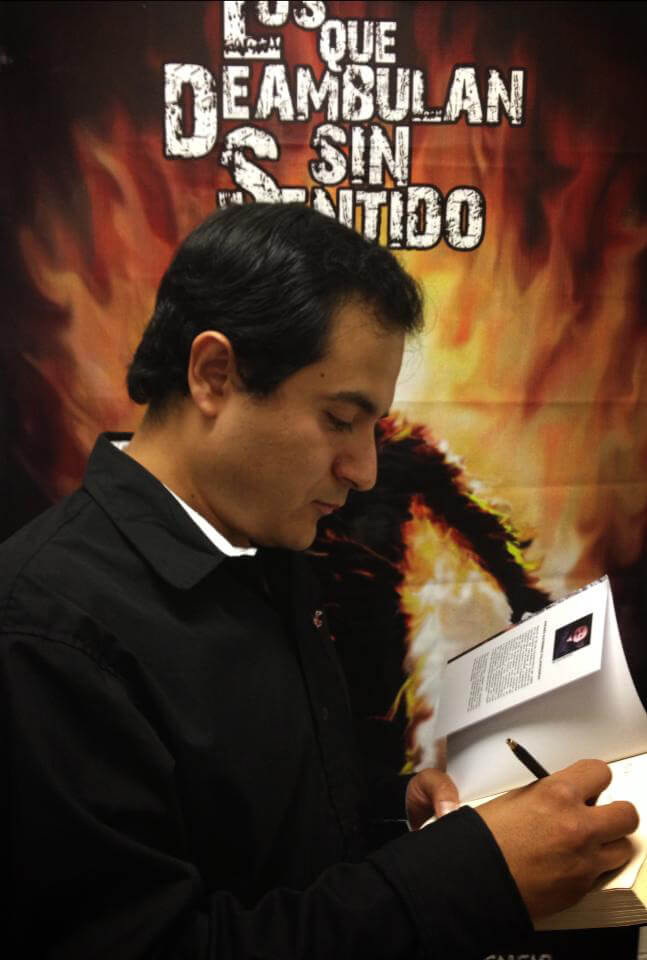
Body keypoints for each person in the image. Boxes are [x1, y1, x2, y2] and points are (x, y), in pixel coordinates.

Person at [1, 203, 638, 959]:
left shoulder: (263, 547)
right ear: (214, 375)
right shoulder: (46, 634)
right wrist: (469, 876)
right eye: (339, 419)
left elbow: (264, 834)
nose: (363, 469)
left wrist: (391, 815)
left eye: (372, 427)